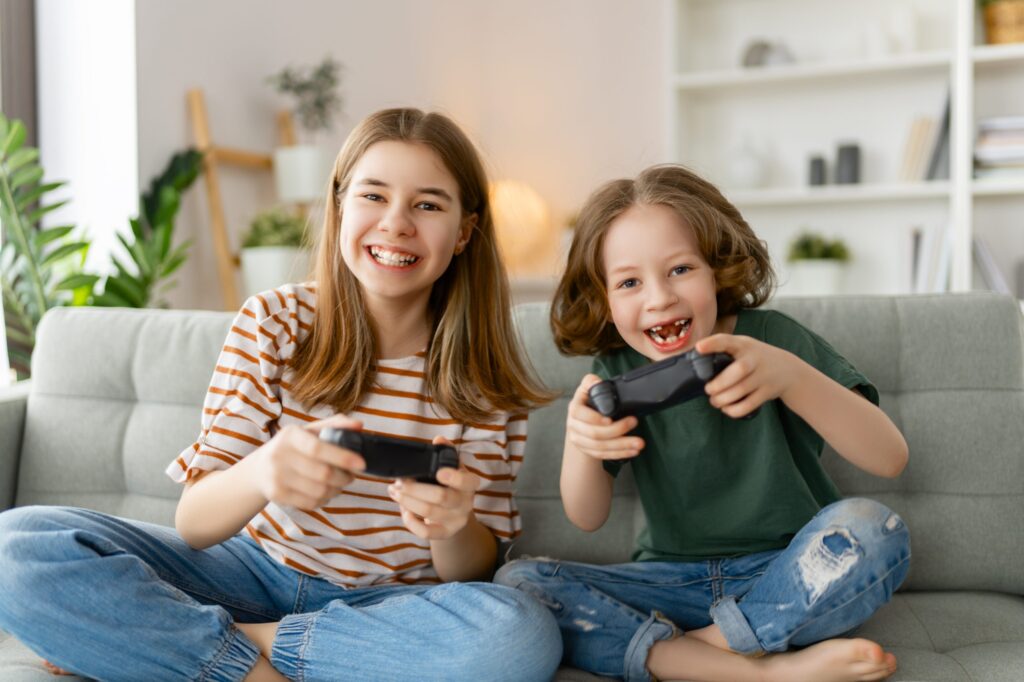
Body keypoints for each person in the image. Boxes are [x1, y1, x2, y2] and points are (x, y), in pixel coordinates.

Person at [0, 108, 562, 682]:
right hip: (247, 574)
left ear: (464, 231)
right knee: (15, 546)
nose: (396, 224)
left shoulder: (484, 373)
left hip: (389, 609)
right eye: (373, 196)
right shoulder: (274, 321)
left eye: (428, 204)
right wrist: (263, 471)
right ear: (340, 207)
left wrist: (450, 526)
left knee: (520, 635)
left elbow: (470, 571)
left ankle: (209, 643)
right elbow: (195, 523)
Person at [495, 164, 911, 682]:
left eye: (680, 269)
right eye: (629, 281)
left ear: (716, 268)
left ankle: (689, 653)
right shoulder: (615, 372)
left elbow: (890, 457)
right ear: (604, 301)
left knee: (876, 530)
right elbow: (586, 516)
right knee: (519, 582)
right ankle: (763, 671)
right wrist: (581, 441)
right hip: (666, 583)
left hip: (782, 573)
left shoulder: (773, 340)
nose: (659, 298)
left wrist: (792, 378)